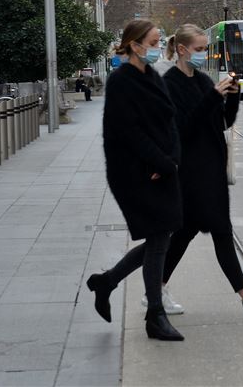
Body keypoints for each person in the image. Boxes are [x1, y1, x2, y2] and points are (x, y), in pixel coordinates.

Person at [161, 24, 243, 319]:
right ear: (182, 50)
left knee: (184, 233)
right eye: (200, 49)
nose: (204, 54)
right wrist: (214, 97)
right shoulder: (170, 84)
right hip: (192, 171)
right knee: (221, 230)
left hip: (212, 167)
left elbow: (223, 122)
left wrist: (234, 96)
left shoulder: (203, 80)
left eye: (205, 49)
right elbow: (182, 129)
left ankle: (155, 288)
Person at [85, 20, 185, 341]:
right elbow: (128, 132)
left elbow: (170, 120)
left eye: (158, 42)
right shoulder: (120, 81)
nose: (158, 47)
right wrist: (160, 162)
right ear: (134, 44)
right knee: (159, 237)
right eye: (153, 42)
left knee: (162, 238)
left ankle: (106, 282)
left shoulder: (152, 75)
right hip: (133, 173)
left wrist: (171, 159)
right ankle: (154, 315)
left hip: (161, 167)